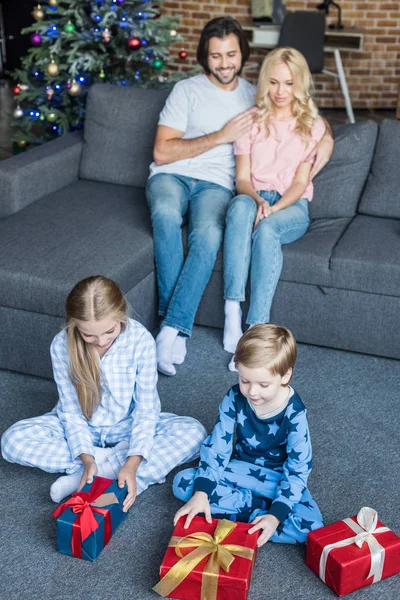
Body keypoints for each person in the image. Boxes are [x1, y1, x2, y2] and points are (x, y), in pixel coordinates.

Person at [146, 18, 334, 377]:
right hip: (181, 177)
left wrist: (326, 140)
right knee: (174, 214)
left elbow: (302, 122)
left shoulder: (256, 96)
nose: (224, 62)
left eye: (231, 54)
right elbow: (163, 153)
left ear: (242, 55)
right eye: (216, 56)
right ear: (205, 57)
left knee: (214, 233)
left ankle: (224, 328)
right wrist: (222, 136)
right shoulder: (193, 92)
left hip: (226, 185)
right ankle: (174, 325)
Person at [1, 276, 206, 510]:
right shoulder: (61, 345)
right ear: (74, 325)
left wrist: (133, 461)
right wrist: (86, 456)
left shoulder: (140, 340)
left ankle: (103, 473)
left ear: (121, 316)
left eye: (109, 331)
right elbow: (70, 412)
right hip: (83, 427)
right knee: (12, 442)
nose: (100, 341)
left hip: (126, 425)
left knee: (195, 433)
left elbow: (146, 409)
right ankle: (99, 468)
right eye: (89, 335)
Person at [223, 47, 332, 371]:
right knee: (240, 210)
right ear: (265, 83)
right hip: (253, 194)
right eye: (274, 83)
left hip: (291, 205)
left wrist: (273, 208)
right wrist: (257, 200)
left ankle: (256, 331)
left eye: (289, 83)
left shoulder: (311, 126)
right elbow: (242, 178)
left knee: (267, 229)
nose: (281, 91)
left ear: (300, 84)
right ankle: (232, 312)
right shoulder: (251, 122)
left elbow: (299, 184)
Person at [172, 324, 323, 546]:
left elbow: (298, 468)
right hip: (239, 470)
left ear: (285, 375)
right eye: (244, 380)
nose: (252, 391)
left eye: (263, 384)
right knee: (182, 483)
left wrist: (276, 515)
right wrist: (202, 493)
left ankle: (256, 514)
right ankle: (254, 510)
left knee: (310, 526)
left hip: (276, 479)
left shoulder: (295, 413)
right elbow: (217, 447)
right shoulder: (234, 397)